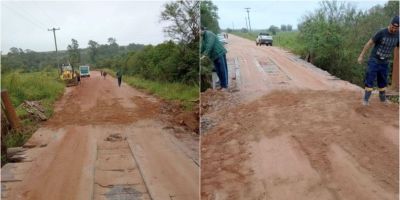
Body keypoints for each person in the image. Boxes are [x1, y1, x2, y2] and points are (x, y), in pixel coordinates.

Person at [358, 16, 399, 106]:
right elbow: (369, 43)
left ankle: (383, 99)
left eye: (396, 28)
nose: (394, 29)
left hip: (385, 61)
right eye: (393, 27)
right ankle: (366, 99)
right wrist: (361, 55)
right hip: (374, 60)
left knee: (383, 80)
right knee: (370, 78)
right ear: (390, 24)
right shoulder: (381, 32)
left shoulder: (398, 35)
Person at [201, 27, 229, 91]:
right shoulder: (204, 38)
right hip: (214, 56)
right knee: (218, 71)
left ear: (202, 30)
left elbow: (209, 45)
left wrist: (205, 54)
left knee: (222, 70)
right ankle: (222, 85)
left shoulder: (209, 34)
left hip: (219, 53)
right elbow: (202, 48)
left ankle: (224, 86)